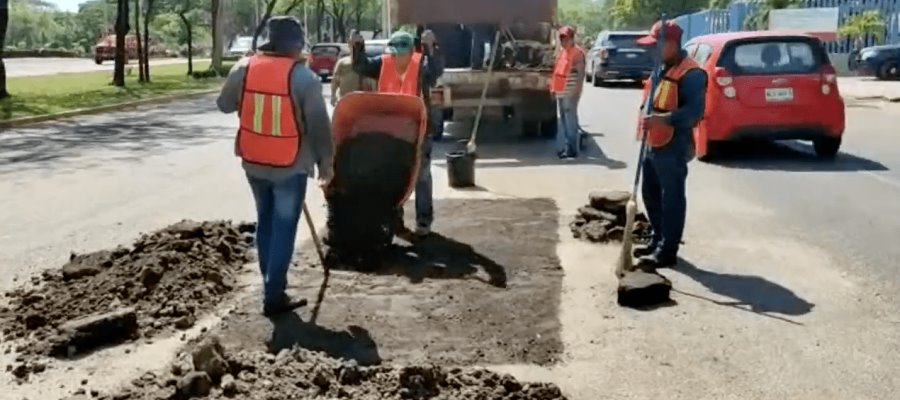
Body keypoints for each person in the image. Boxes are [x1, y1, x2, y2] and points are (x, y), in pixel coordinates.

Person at [216, 16, 334, 316]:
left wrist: (241, 83)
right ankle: (273, 294)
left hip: (254, 162)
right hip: (290, 165)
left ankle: (270, 286)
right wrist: (327, 166)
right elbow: (320, 127)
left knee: (265, 222)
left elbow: (224, 105)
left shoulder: (244, 67)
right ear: (295, 47)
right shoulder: (303, 78)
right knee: (283, 227)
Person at [349, 30, 445, 238]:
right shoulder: (382, 63)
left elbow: (436, 70)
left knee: (421, 176)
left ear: (412, 51)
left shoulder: (422, 66)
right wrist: (357, 47)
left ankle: (423, 221)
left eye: (402, 52)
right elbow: (360, 65)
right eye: (394, 52)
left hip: (418, 128)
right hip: (390, 129)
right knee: (392, 176)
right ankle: (395, 220)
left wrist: (432, 47)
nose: (398, 57)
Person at [633, 20, 707, 268]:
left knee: (671, 198)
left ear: (672, 44)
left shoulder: (692, 74)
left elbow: (694, 114)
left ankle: (667, 251)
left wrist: (661, 119)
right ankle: (657, 239)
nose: (652, 49)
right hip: (652, 142)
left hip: (673, 145)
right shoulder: (661, 66)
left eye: (657, 44)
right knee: (650, 195)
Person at [551, 26, 586, 159]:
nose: (563, 41)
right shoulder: (563, 52)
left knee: (570, 120)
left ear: (572, 38)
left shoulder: (577, 53)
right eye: (562, 38)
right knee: (565, 121)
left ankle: (572, 148)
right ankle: (567, 147)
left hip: (570, 93)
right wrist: (554, 89)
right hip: (561, 91)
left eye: (566, 38)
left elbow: (581, 73)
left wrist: (577, 91)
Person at [330, 36, 376, 106]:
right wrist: (333, 96)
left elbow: (373, 82)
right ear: (349, 45)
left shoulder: (368, 62)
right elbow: (335, 80)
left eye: (358, 44)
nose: (355, 46)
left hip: (363, 101)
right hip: (344, 100)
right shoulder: (342, 62)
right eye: (352, 43)